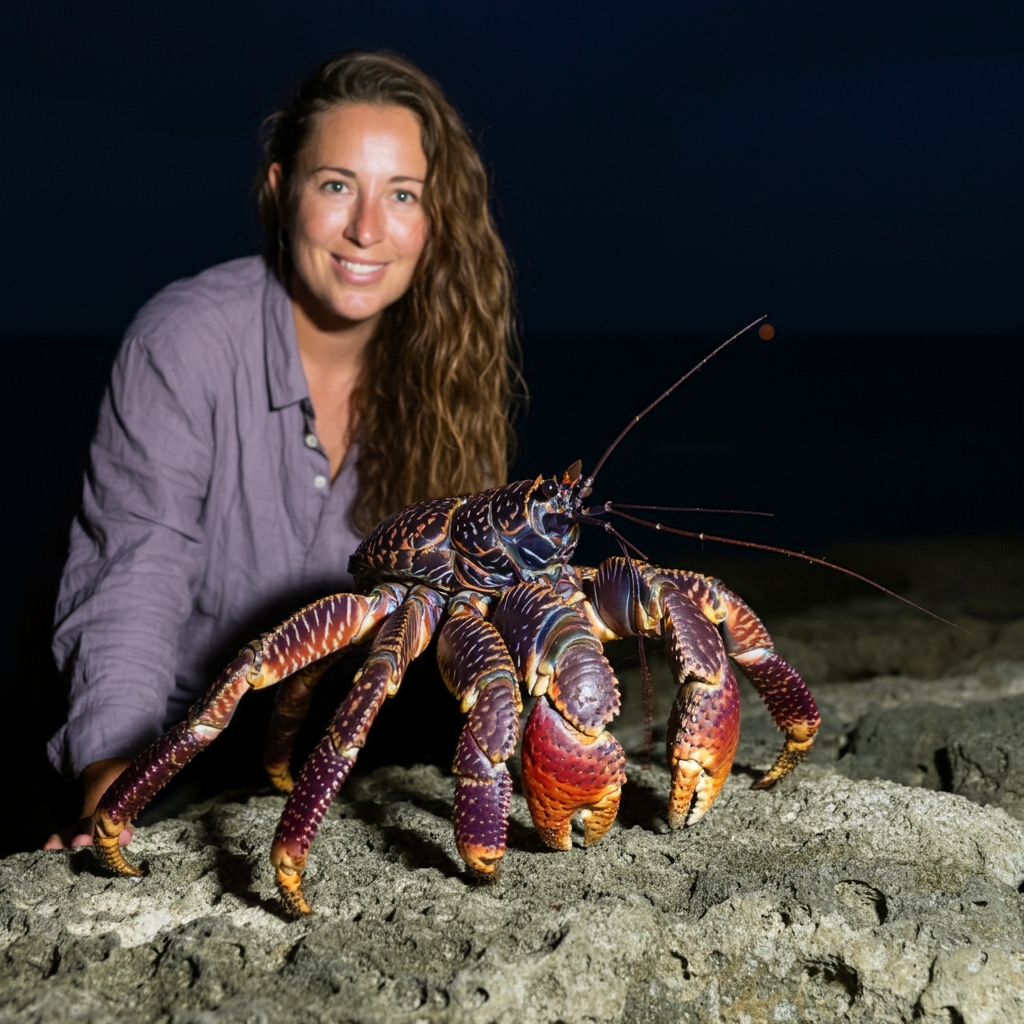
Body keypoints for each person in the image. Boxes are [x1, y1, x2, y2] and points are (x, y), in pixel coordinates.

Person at [44, 51, 519, 849]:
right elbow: (135, 564)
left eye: (403, 195)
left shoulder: (452, 369)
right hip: (188, 745)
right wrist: (111, 777)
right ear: (279, 192)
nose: (367, 228)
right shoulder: (186, 337)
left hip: (363, 748)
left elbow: (471, 605)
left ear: (436, 220)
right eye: (337, 185)